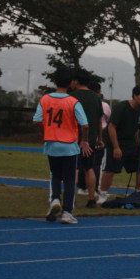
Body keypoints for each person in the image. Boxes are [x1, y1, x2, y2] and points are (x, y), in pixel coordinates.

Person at [33, 68, 92, 224]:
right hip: (69, 145)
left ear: (54, 81)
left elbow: (37, 120)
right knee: (69, 179)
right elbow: (85, 125)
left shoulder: (45, 99)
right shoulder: (73, 102)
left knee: (55, 175)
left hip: (52, 144)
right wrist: (84, 140)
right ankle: (67, 212)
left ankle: (55, 199)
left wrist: (48, 128)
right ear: (71, 83)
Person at [98, 84, 140, 204]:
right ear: (135, 96)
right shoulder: (121, 107)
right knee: (110, 169)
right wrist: (116, 148)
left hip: (132, 143)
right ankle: (103, 194)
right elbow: (111, 127)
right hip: (116, 142)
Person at [70, 70, 104, 208]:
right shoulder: (96, 97)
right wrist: (99, 139)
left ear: (76, 81)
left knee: (74, 168)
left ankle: (70, 198)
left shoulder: (71, 96)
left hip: (73, 139)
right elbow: (99, 120)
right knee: (89, 168)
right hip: (90, 140)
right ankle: (91, 199)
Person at [77, 81, 110, 195]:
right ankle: (95, 188)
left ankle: (82, 187)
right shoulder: (102, 104)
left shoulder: (80, 101)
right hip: (97, 134)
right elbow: (107, 118)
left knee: (81, 163)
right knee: (96, 164)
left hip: (82, 135)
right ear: (99, 91)